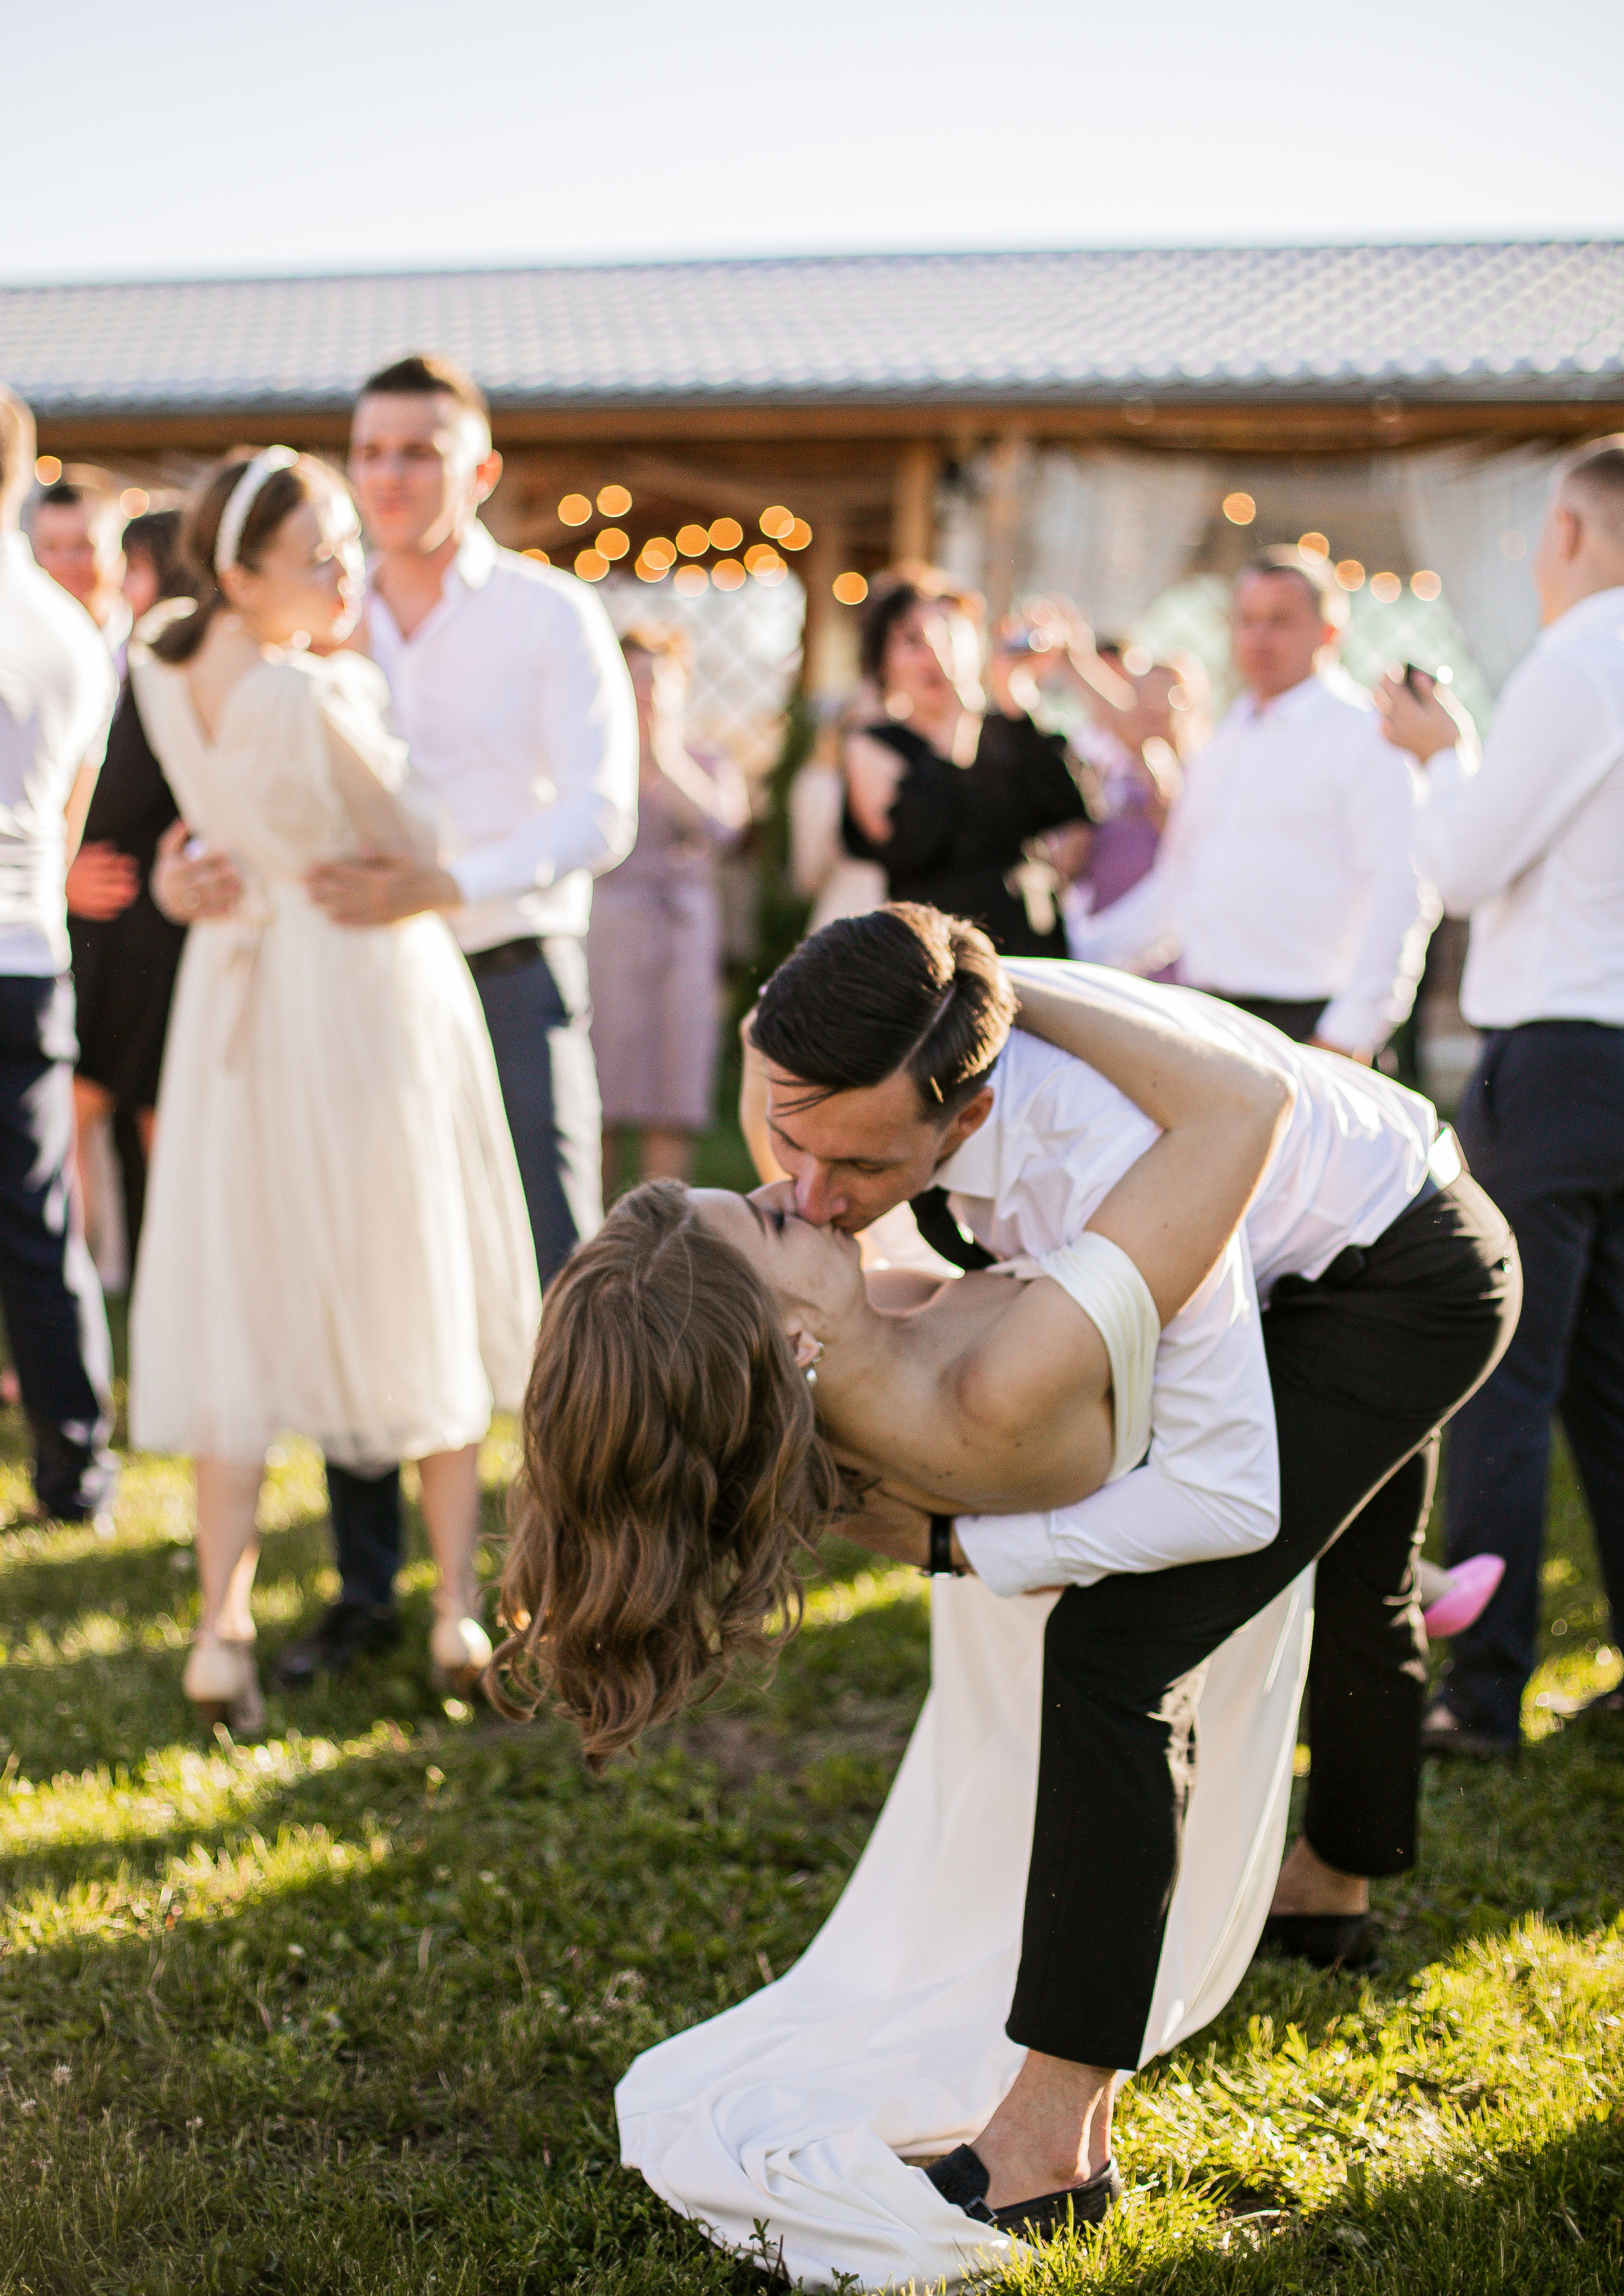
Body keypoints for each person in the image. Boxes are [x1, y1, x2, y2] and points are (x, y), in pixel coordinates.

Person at [501, 972, 1311, 2281]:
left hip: (1046, 1605)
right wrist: (987, 981)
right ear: (787, 1330)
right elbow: (1237, 1116)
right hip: (1183, 1550)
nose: (811, 1195)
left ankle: (1316, 1893)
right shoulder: (989, 1385)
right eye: (774, 1210)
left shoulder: (865, 1377)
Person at [730, 906, 1516, 2244]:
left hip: (1405, 1280)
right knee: (1355, 1573)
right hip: (1356, 1186)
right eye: (785, 1139)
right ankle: (1334, 1886)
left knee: (1110, 1654)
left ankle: (1049, 2143)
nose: (810, 1194)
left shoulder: (1092, 1159)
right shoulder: (899, 1011)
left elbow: (1224, 1492)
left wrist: (960, 1548)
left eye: (858, 1162)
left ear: (965, 1118)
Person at [157, 354, 638, 1685]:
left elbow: (602, 811)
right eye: (369, 451)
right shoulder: (312, 612)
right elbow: (241, 796)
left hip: (502, 965)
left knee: (546, 1275)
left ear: (476, 469)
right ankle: (375, 1585)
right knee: (347, 1259)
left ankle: (567, 1580)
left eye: (417, 451)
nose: (386, 474)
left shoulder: (547, 615)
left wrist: (448, 882)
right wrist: (184, 868)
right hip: (339, 996)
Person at [128, 447, 540, 1732]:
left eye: (351, 542)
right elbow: (419, 841)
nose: (346, 570)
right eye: (321, 554)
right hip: (356, 989)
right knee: (407, 1263)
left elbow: (181, 826)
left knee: (239, 1282)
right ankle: (453, 1609)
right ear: (242, 575)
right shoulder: (317, 688)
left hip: (235, 993)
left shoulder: (157, 661)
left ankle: (219, 1630)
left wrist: (176, 874)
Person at [1378, 434, 1624, 1757]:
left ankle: (1480, 1693)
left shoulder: (1582, 654)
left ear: (1577, 534)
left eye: (1541, 534)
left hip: (1558, 1062)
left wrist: (1438, 754)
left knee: (1502, 1381)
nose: (1535, 559)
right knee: (1606, 1382)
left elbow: (1467, 863)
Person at [1070, 547, 1438, 1062]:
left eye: (1279, 621)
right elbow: (1178, 889)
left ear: (1330, 631)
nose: (1258, 638)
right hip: (1210, 1020)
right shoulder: (1224, 742)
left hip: (1311, 1026)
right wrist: (1075, 959)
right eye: (1246, 621)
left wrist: (1348, 1035)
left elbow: (1400, 889)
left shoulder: (1369, 740)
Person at [0, 387, 119, 1529]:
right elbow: (72, 816)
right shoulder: (69, 631)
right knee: (40, 1227)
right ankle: (76, 1471)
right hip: (32, 950)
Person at [839, 573, 1113, 960]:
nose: (933, 656)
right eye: (913, 642)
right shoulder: (873, 744)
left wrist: (1017, 697)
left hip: (1032, 949)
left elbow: (1072, 809)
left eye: (949, 635)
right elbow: (910, 844)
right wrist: (956, 720)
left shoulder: (1010, 726)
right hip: (937, 960)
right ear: (884, 660)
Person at [67, 509, 196, 1265]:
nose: (122, 580)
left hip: (145, 924)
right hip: (112, 922)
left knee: (140, 1109)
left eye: (135, 565)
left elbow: (126, 792)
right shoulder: (128, 656)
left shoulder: (165, 666)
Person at [587, 625, 747, 1202]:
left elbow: (726, 829)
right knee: (599, 1090)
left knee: (672, 1090)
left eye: (657, 678)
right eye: (635, 677)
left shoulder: (707, 758)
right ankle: (591, 1230)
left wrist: (665, 757)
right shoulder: (595, 756)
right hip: (609, 930)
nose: (646, 691)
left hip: (681, 935)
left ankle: (657, 1228)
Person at [28, 469, 131, 663]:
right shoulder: (22, 649)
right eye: (51, 547)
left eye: (82, 546)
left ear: (120, 551)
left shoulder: (151, 649)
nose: (66, 563)